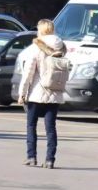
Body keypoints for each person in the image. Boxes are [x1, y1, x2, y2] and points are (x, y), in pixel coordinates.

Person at [17, 19, 69, 169]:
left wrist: (22, 93)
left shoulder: (36, 47)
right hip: (55, 93)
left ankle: (31, 157)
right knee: (50, 128)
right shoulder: (61, 48)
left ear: (41, 30)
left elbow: (28, 73)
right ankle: (50, 160)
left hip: (36, 93)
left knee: (31, 125)